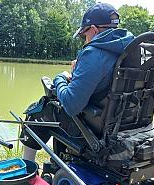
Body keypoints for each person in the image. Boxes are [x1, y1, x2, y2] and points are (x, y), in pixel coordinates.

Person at [21, 2, 134, 161]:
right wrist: (80, 70)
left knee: (41, 109)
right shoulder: (132, 48)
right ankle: (61, 162)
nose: (84, 39)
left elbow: (72, 105)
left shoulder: (94, 53)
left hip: (96, 128)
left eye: (84, 34)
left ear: (94, 30)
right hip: (123, 122)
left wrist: (60, 78)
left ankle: (28, 168)